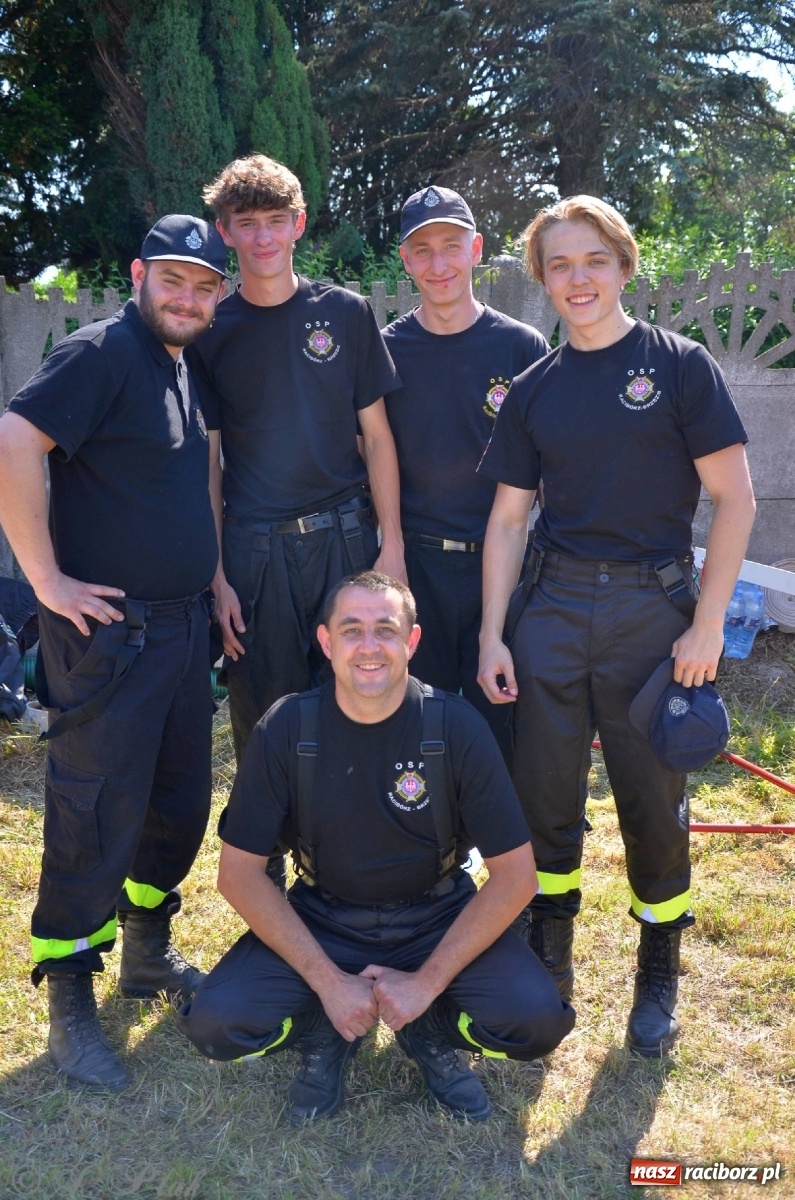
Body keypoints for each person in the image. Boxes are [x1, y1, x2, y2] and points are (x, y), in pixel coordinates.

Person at [477, 196, 755, 1056]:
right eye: (558, 265)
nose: (577, 278)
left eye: (592, 259)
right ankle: (547, 962)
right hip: (551, 612)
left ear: (623, 264)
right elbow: (507, 521)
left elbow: (734, 498)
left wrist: (706, 624)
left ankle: (657, 972)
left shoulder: (678, 367)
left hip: (653, 615)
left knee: (651, 799)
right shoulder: (533, 388)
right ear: (542, 281)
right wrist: (492, 634)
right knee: (543, 798)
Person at [178, 571, 574, 1124]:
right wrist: (328, 983)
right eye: (352, 630)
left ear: (411, 642)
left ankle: (430, 1029)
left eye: (386, 630)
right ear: (326, 642)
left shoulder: (457, 728)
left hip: (436, 915)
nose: (369, 647)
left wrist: (426, 984)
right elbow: (238, 876)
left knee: (537, 1024)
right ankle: (324, 1028)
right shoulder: (287, 728)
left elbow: (516, 877)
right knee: (215, 1027)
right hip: (324, 918)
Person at [0, 215, 229, 1091]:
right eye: (174, 279)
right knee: (95, 808)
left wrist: (211, 585)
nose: (188, 297)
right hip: (108, 636)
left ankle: (146, 956)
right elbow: (16, 440)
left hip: (180, 628)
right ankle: (69, 999)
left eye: (205, 285)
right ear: (139, 274)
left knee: (177, 798)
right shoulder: (101, 352)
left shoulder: (178, 365)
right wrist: (46, 580)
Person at [189, 155, 406, 772]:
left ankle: (349, 856)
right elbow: (208, 461)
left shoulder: (346, 312)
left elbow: (379, 438)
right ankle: (268, 857)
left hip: (346, 537)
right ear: (225, 231)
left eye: (276, 221)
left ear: (299, 225)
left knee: (362, 698)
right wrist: (218, 575)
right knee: (266, 718)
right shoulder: (211, 330)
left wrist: (391, 547)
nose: (262, 237)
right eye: (246, 222)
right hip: (255, 550)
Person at [383, 186, 549, 763]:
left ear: (476, 249)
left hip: (499, 565)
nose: (439, 264)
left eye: (451, 246)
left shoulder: (521, 346)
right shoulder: (386, 352)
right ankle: (433, 844)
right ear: (405, 260)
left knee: (497, 718)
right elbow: (368, 457)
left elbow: (549, 467)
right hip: (416, 566)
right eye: (422, 250)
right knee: (414, 721)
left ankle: (495, 839)